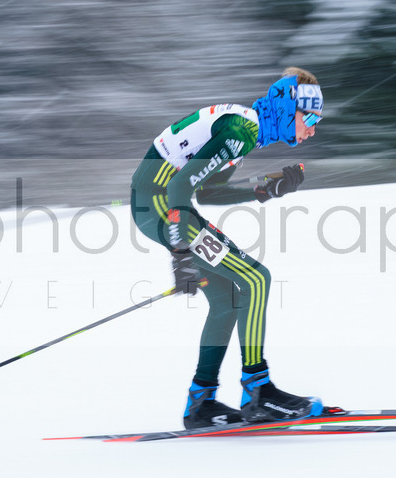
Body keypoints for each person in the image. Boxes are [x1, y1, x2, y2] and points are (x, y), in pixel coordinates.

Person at [129, 67, 325, 429]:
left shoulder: (246, 129)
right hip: (161, 205)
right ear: (286, 109)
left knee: (228, 300)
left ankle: (200, 403)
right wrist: (181, 254)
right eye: (309, 117)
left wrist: (268, 189)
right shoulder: (241, 130)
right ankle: (258, 391)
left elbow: (208, 191)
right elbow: (178, 190)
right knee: (256, 278)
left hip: (161, 205)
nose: (312, 128)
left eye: (317, 120)